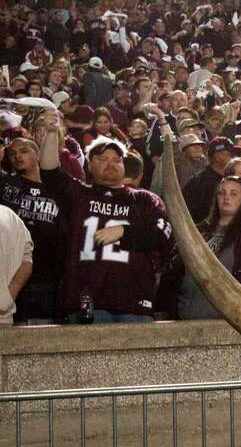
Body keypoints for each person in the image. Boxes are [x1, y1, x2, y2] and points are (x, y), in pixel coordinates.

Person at [42, 131, 174, 323]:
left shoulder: (144, 199)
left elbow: (164, 236)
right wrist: (52, 131)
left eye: (116, 159)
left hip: (134, 302)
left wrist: (124, 232)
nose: (110, 163)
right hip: (86, 302)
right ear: (89, 165)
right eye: (102, 159)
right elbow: (49, 173)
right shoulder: (79, 194)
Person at [157, 176, 241, 319]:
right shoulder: (198, 231)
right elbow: (170, 272)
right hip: (185, 319)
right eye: (222, 193)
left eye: (233, 194)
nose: (226, 197)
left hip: (230, 325)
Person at [1, 132, 67, 321]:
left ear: (38, 154)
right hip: (11, 276)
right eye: (12, 154)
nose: (17, 156)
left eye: (24, 151)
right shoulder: (5, 185)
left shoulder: (57, 188)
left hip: (48, 278)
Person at [184, 137, 234, 221]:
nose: (234, 157)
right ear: (218, 156)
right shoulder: (198, 183)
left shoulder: (233, 178)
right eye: (230, 154)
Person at [0, 204, 33, 326]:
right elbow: (27, 263)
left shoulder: (9, 216)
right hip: (5, 321)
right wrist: (5, 300)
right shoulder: (10, 216)